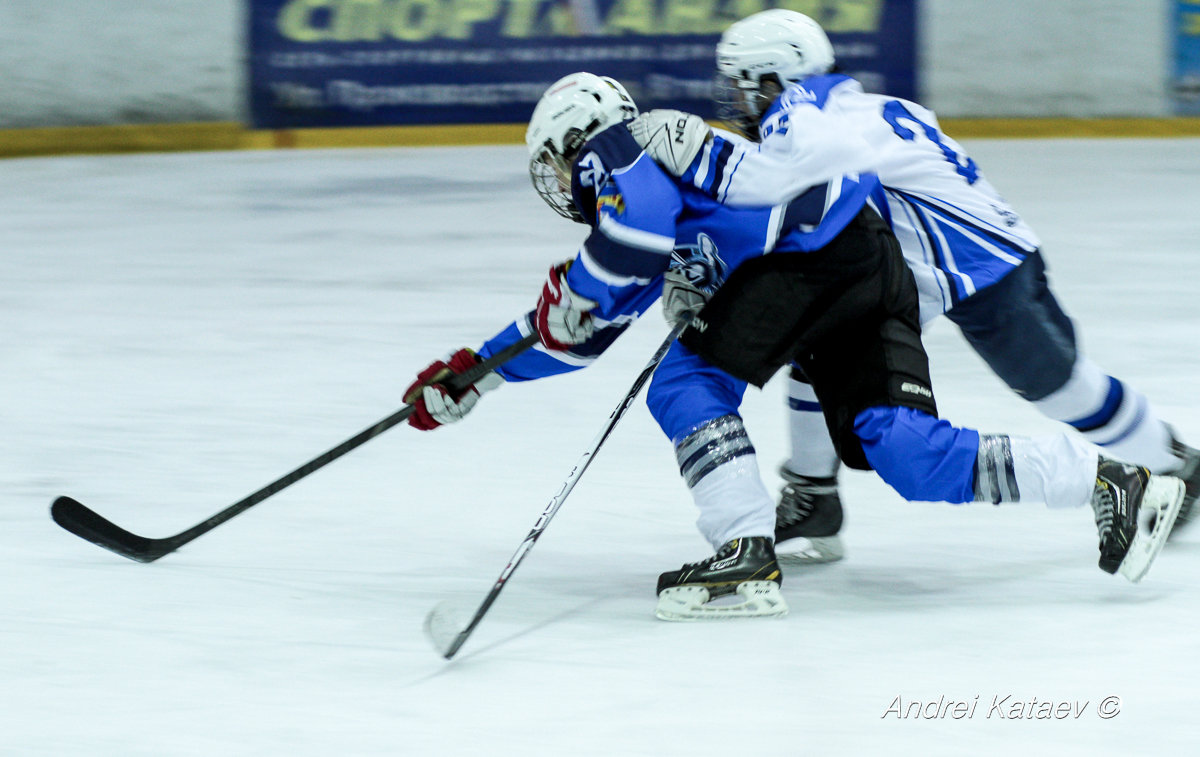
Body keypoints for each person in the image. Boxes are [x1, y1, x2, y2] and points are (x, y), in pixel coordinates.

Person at [403, 72, 1185, 621]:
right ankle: (1110, 481)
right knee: (901, 449)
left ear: (575, 140)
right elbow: (588, 335)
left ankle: (742, 550)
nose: (559, 181)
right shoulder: (644, 189)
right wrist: (481, 372)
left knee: (683, 382)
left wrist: (575, 298)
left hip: (808, 261)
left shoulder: (625, 146)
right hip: (864, 260)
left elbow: (626, 245)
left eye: (554, 161)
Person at [628, 9, 1200, 565]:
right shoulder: (862, 102)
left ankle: (1177, 465)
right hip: (949, 258)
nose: (736, 100)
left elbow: (783, 195)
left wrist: (703, 169)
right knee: (817, 347)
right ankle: (813, 493)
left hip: (975, 269)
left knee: (1062, 389)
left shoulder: (799, 113)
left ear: (774, 78)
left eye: (743, 85)